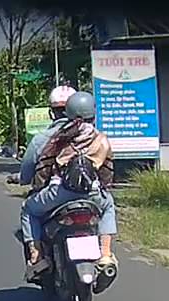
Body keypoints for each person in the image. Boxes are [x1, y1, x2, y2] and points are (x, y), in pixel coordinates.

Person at [20, 91, 118, 275]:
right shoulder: (100, 138)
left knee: (28, 209)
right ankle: (105, 254)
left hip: (59, 192)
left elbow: (45, 162)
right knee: (109, 206)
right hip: (91, 192)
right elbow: (107, 169)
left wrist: (36, 183)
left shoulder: (58, 136)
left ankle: (36, 255)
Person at [16, 85, 76, 186]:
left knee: (31, 197)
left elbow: (26, 175)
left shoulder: (41, 138)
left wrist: (22, 178)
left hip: (52, 190)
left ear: (51, 112)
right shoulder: (93, 135)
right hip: (91, 191)